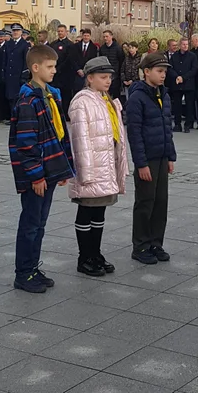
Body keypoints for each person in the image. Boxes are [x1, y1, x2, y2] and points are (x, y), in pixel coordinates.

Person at [9, 44, 74, 293]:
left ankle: (33, 268)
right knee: (31, 223)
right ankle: (23, 273)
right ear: (35, 68)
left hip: (49, 169)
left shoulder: (49, 94)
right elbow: (27, 143)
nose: (54, 71)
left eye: (55, 66)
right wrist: (36, 176)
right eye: (50, 66)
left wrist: (61, 168)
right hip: (35, 174)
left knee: (40, 223)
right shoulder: (28, 99)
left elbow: (58, 135)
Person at [68, 57, 128, 276]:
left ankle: (96, 252)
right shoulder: (81, 101)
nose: (108, 81)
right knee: (86, 210)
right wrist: (85, 172)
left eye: (110, 77)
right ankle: (84, 256)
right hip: (91, 168)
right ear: (89, 78)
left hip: (106, 166)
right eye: (103, 77)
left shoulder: (106, 99)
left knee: (99, 212)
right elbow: (80, 140)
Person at [127, 52, 176, 265]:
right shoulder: (137, 97)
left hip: (162, 155)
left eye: (165, 71)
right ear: (146, 72)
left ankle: (156, 242)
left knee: (160, 202)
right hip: (147, 159)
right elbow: (134, 134)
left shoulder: (163, 95)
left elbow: (167, 127)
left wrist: (170, 155)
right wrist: (141, 163)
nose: (163, 75)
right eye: (159, 71)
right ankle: (141, 245)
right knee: (145, 202)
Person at [167, 38, 197, 133]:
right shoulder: (174, 56)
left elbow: (194, 69)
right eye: (183, 44)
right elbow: (170, 68)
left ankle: (187, 125)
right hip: (176, 84)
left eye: (187, 44)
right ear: (180, 45)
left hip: (188, 84)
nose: (185, 46)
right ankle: (177, 124)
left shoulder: (192, 56)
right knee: (177, 105)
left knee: (189, 105)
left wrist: (183, 77)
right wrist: (177, 76)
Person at [2, 22, 30, 120]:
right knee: (10, 97)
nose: (15, 33)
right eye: (14, 31)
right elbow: (5, 59)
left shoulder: (24, 44)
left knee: (18, 97)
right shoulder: (8, 44)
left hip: (18, 75)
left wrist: (24, 74)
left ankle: (18, 117)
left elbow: (26, 61)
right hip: (9, 74)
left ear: (21, 32)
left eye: (17, 31)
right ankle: (12, 116)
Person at [50, 25, 75, 115]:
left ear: (66, 32)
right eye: (59, 31)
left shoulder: (70, 45)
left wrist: (59, 68)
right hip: (54, 74)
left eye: (62, 31)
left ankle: (65, 113)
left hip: (65, 74)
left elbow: (69, 59)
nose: (60, 33)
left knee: (65, 94)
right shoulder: (53, 44)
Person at [71, 28, 99, 93]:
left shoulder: (94, 48)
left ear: (90, 36)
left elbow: (93, 61)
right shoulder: (75, 46)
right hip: (77, 73)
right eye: (85, 35)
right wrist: (78, 69)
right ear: (82, 36)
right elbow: (72, 59)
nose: (86, 37)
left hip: (88, 73)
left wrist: (85, 70)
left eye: (87, 36)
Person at [99, 30, 125, 101]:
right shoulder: (102, 48)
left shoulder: (118, 48)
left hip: (115, 76)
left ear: (111, 36)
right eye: (104, 37)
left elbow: (121, 60)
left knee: (116, 96)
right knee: (105, 96)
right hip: (105, 74)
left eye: (107, 36)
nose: (105, 38)